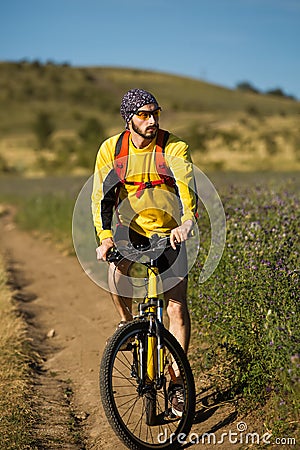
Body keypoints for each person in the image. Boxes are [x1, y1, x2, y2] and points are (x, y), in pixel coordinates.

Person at [91, 88, 197, 415]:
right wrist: (106, 237)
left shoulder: (174, 147)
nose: (152, 120)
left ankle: (177, 384)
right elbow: (102, 197)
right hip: (134, 229)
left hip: (170, 231)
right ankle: (125, 324)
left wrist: (187, 223)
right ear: (128, 120)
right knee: (115, 269)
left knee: (176, 309)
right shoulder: (112, 149)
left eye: (155, 113)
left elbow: (186, 190)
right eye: (143, 114)